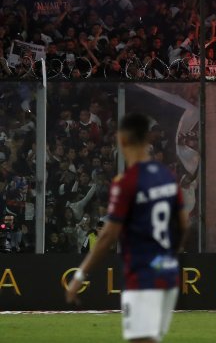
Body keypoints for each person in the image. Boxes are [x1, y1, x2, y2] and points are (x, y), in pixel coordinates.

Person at [66, 113, 189, 343]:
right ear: (148, 139)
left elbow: (107, 237)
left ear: (122, 140)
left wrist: (80, 274)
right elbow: (183, 224)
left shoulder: (127, 183)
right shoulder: (167, 177)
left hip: (143, 276)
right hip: (168, 274)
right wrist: (168, 257)